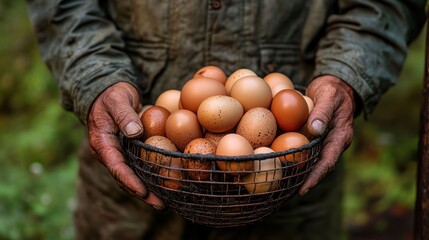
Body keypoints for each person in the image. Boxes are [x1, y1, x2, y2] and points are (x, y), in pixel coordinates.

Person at [27, 0, 426, 239]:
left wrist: (345, 74)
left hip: (289, 192)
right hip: (131, 194)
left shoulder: (270, 127)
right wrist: (96, 78)